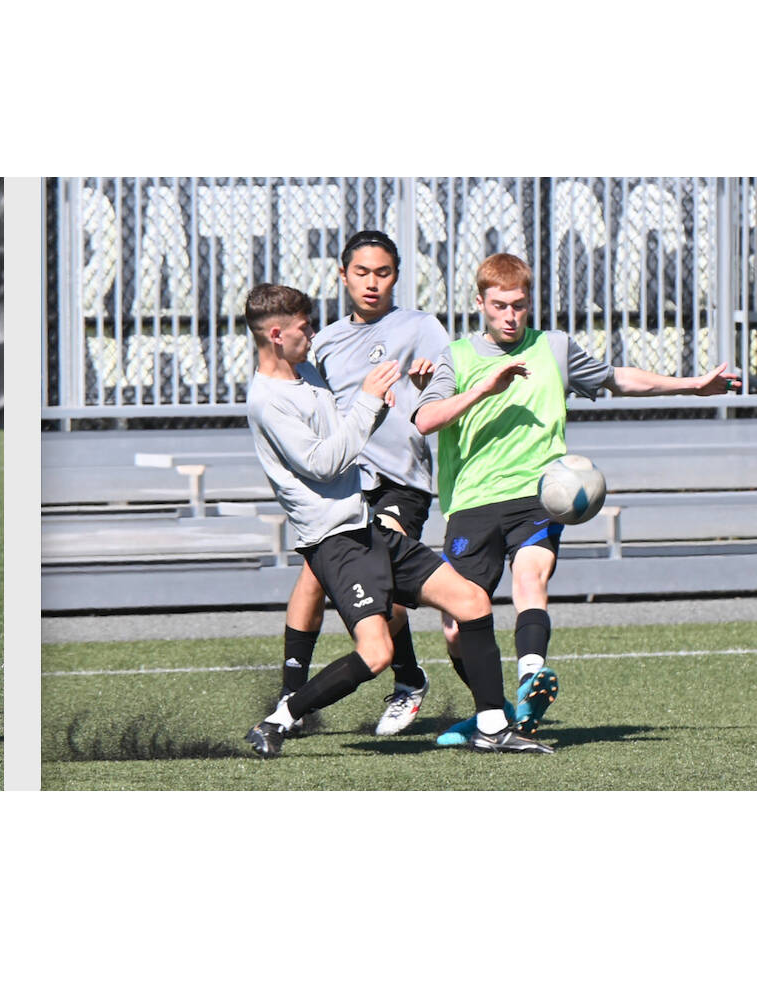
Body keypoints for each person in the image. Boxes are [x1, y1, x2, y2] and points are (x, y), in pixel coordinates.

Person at [412, 253, 742, 743]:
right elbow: (426, 419)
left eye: (519, 305)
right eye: (500, 305)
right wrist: (486, 387)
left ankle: (530, 675)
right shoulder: (456, 356)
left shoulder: (554, 347)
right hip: (472, 501)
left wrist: (693, 386)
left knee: (530, 576)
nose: (510, 315)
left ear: (529, 304)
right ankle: (495, 711)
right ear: (480, 303)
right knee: (458, 626)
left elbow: (617, 378)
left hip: (539, 493)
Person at [242, 283, 551, 756]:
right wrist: (368, 400)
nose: (313, 334)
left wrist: (389, 399)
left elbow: (350, 429)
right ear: (278, 335)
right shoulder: (269, 400)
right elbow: (324, 463)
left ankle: (492, 726)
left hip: (366, 526)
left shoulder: (305, 374)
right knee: (376, 652)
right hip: (335, 542)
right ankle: (278, 720)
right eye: (305, 327)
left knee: (471, 601)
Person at [275, 231, 451, 738]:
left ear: (396, 275)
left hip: (400, 481)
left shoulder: (420, 327)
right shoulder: (325, 342)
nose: (372, 283)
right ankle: (293, 692)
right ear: (342, 275)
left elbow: (448, 382)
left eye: (384, 273)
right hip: (344, 484)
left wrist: (428, 382)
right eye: (362, 272)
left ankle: (407, 681)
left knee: (388, 588)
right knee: (310, 579)